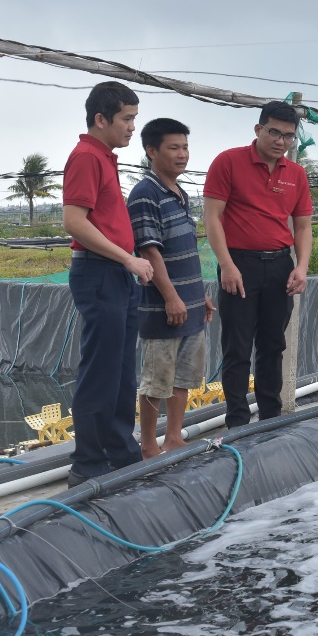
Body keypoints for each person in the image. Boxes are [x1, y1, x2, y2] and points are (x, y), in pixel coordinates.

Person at [62, 81, 154, 485]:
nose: (133, 127)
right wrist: (128, 258)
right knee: (100, 370)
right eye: (127, 119)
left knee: (120, 370)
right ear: (101, 120)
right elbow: (74, 222)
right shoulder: (86, 156)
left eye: (134, 118)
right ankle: (88, 464)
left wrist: (128, 264)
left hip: (116, 274)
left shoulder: (105, 157)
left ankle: (121, 451)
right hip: (100, 272)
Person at [203, 101, 312, 427]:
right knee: (237, 348)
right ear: (258, 129)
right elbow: (212, 218)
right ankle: (237, 423)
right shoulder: (228, 162)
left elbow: (303, 226)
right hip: (240, 266)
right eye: (274, 132)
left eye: (289, 136)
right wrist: (227, 265)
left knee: (272, 346)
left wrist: (302, 266)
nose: (280, 141)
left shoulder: (296, 174)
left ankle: (270, 419)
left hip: (280, 267)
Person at [128, 118, 215, 459]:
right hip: (163, 306)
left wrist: (199, 296)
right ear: (152, 151)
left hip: (189, 302)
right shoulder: (145, 194)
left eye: (185, 147)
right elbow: (150, 251)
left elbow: (186, 252)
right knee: (156, 378)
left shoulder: (180, 193)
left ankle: (174, 437)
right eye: (173, 148)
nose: (182, 155)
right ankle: (149, 445)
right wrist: (172, 297)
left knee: (183, 377)